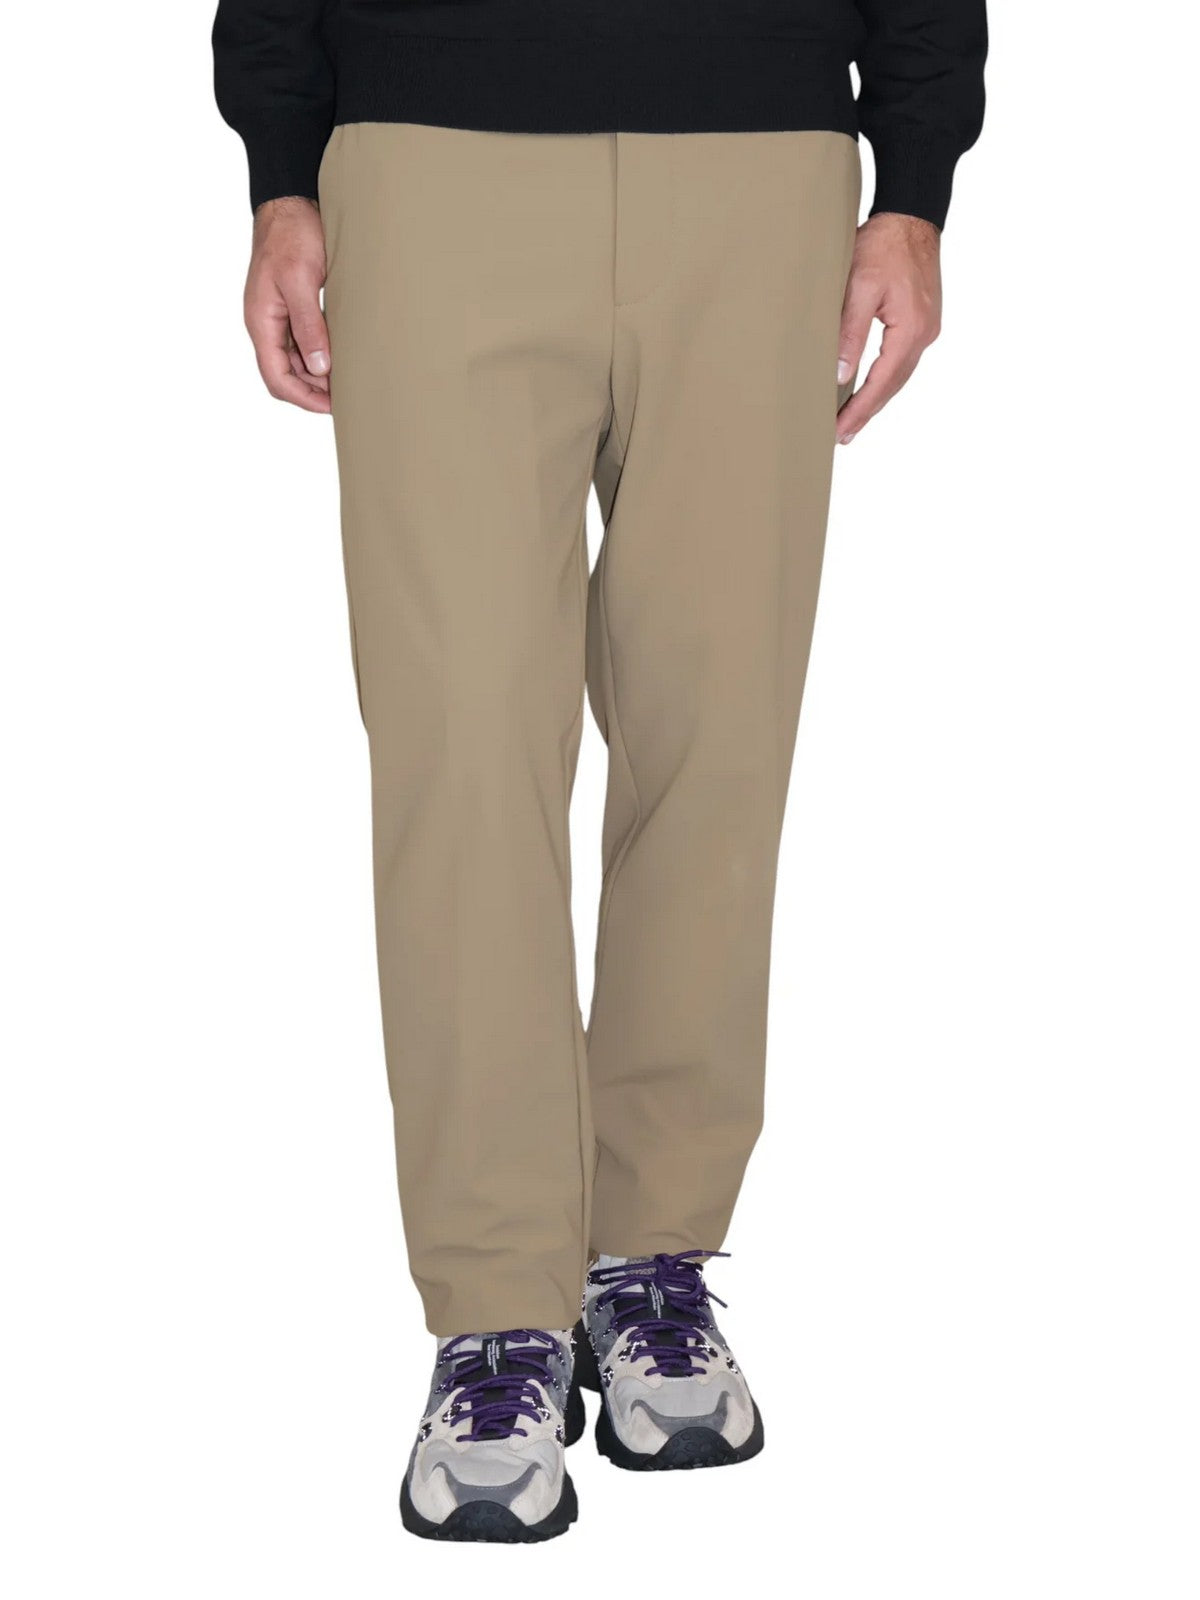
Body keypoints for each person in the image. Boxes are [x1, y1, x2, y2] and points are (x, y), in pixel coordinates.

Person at [213, 0, 986, 1544]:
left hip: (760, 156)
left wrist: (914, 182)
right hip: (430, 149)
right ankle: (498, 1308)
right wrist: (282, 166)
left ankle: (651, 1258)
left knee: (718, 732)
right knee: (458, 750)